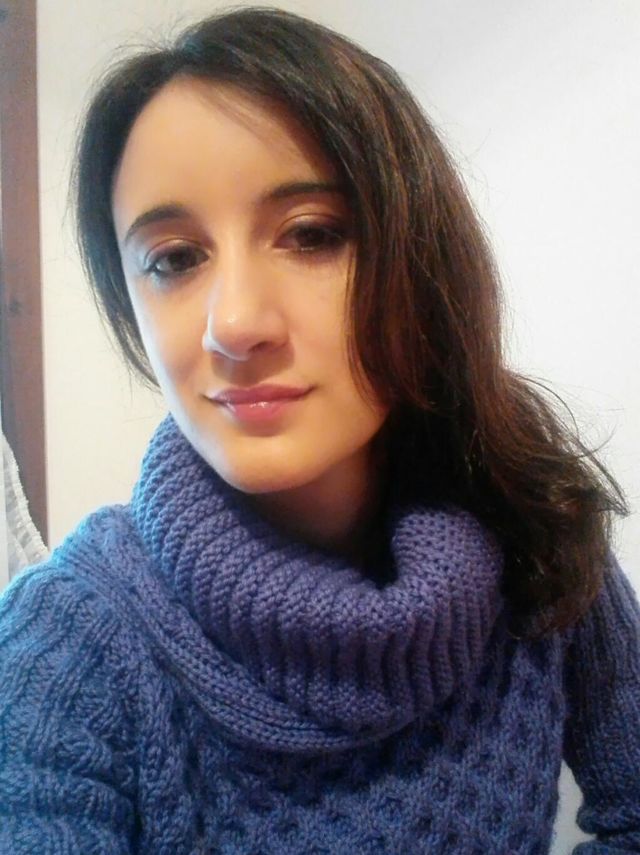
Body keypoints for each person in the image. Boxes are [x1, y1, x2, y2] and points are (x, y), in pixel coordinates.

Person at [1, 7, 639, 854]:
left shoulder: (536, 529)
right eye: (175, 258)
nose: (235, 324)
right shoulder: (66, 642)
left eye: (311, 235)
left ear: (422, 260)